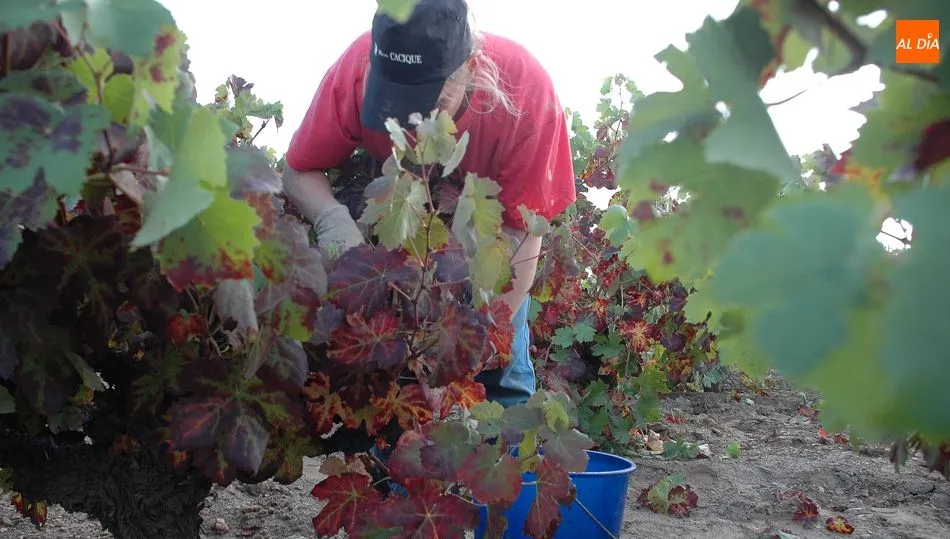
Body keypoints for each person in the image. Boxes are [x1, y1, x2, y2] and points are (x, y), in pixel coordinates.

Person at [281, 0, 576, 410]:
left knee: (502, 385)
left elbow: (521, 231)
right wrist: (336, 224)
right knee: (390, 381)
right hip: (391, 231)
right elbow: (298, 169)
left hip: (486, 239)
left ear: (471, 69)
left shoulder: (529, 93)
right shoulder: (355, 69)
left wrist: (480, 347)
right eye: (394, 105)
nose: (412, 127)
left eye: (432, 104)